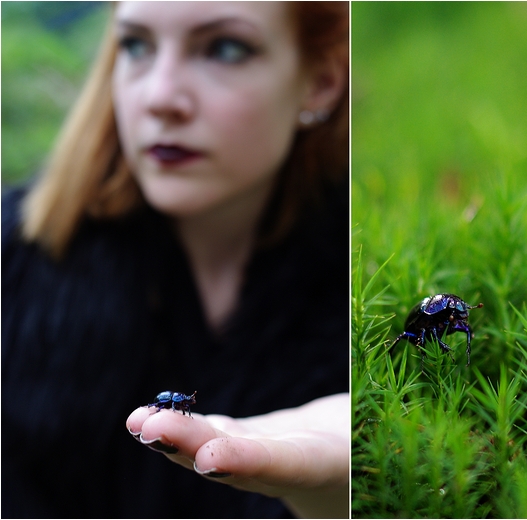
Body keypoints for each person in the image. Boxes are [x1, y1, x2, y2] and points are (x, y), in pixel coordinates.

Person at [2, 2, 350, 517]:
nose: (161, 97)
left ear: (319, 82)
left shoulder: (354, 270)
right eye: (136, 45)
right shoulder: (17, 263)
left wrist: (333, 500)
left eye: (225, 48)